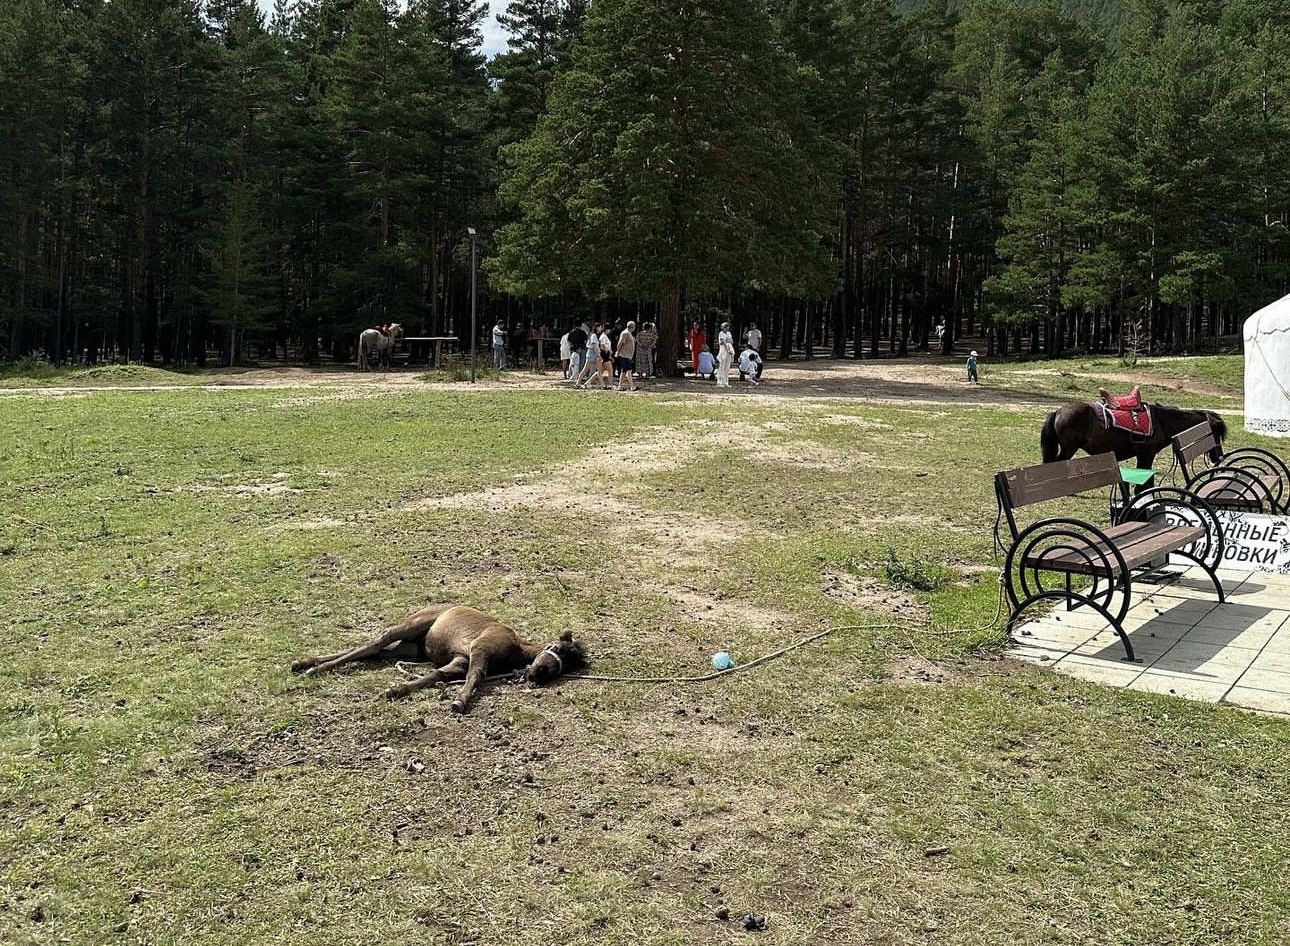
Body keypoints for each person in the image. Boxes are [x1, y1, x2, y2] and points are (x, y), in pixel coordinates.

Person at [574, 322, 602, 388]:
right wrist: (599, 355)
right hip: (591, 353)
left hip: (593, 353)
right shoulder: (593, 335)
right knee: (585, 369)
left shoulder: (593, 335)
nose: (601, 329)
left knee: (598, 370)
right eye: (600, 327)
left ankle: (602, 384)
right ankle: (577, 383)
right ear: (597, 328)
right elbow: (594, 346)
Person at [615, 321, 637, 391]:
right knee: (629, 371)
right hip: (624, 355)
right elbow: (620, 343)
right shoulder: (626, 333)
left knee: (623, 372)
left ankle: (620, 386)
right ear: (632, 327)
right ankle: (632, 386)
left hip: (627, 356)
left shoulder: (629, 333)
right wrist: (617, 352)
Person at [715, 320, 735, 388]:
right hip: (723, 350)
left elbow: (731, 341)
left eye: (727, 327)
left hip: (729, 350)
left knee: (727, 367)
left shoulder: (729, 333)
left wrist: (728, 343)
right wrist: (727, 349)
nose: (726, 328)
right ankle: (719, 382)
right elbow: (723, 342)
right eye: (725, 327)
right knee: (722, 366)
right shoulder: (721, 333)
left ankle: (726, 382)